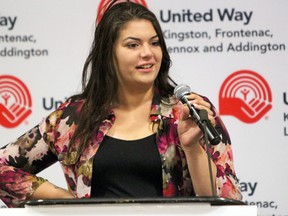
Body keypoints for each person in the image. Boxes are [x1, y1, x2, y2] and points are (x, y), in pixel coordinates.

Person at [0, 0, 242, 208]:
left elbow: (226, 201)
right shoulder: (72, 118)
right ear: (108, 54)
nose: (148, 53)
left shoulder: (189, 111)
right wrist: (62, 201)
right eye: (133, 45)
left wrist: (193, 150)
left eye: (155, 43)